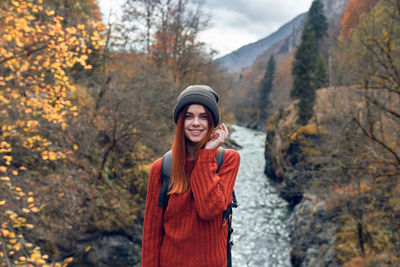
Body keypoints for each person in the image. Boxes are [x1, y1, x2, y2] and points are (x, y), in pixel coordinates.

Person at [141, 85, 241, 267]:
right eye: (189, 116)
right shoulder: (162, 167)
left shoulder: (228, 160)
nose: (196, 123)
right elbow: (151, 235)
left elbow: (209, 210)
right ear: (180, 121)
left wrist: (207, 155)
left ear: (212, 122)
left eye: (203, 116)